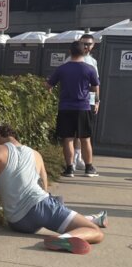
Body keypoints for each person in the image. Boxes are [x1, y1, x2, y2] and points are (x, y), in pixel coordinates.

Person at [0, 124, 107, 254]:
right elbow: (44, 187)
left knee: (56, 207)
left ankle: (88, 220)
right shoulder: (36, 154)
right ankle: (63, 239)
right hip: (40, 207)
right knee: (96, 232)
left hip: (18, 222)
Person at [47, 40, 100, 178]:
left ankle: (70, 168)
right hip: (83, 107)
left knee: (68, 138)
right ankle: (89, 168)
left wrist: (48, 88)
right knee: (85, 138)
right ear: (85, 51)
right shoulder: (90, 69)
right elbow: (95, 87)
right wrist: (95, 103)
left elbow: (49, 85)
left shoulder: (62, 68)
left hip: (65, 108)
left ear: (70, 52)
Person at [72, 32, 99, 171]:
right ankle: (75, 157)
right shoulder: (72, 59)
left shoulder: (93, 62)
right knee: (75, 131)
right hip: (74, 100)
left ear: (93, 45)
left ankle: (79, 156)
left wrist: (96, 102)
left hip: (87, 100)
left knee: (84, 130)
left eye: (89, 44)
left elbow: (95, 85)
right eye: (84, 44)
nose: (86, 46)